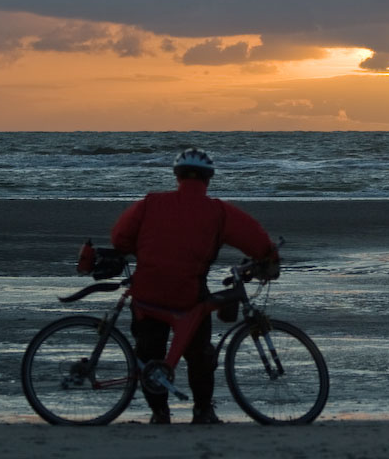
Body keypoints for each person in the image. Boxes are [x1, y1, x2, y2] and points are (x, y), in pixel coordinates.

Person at [111, 148, 278, 425]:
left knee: (149, 351)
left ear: (176, 176)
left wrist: (144, 252)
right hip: (187, 295)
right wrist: (269, 256)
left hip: (147, 290)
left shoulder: (150, 203)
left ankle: (159, 413)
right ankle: (202, 411)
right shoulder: (218, 212)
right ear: (208, 179)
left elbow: (120, 238)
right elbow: (254, 239)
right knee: (200, 355)